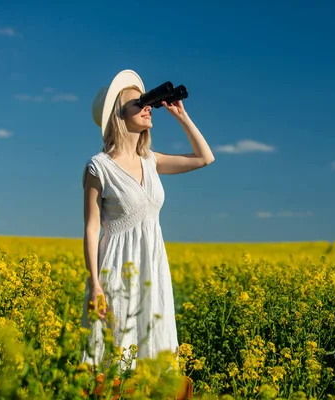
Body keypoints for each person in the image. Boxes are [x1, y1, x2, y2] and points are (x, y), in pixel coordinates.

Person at [79, 69, 215, 374]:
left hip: (152, 267)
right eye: (137, 103)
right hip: (117, 267)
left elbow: (205, 158)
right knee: (115, 354)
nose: (147, 107)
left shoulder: (151, 161)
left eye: (147, 102)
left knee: (153, 349)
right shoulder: (98, 168)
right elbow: (91, 228)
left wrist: (181, 116)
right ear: (117, 115)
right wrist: (95, 285)